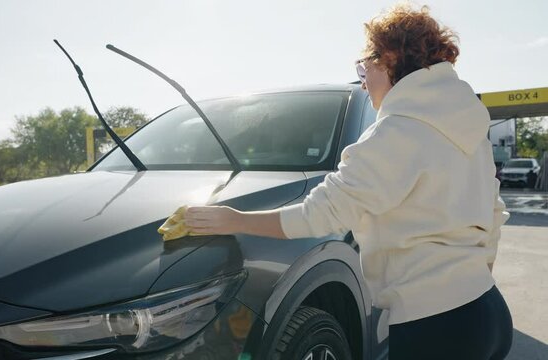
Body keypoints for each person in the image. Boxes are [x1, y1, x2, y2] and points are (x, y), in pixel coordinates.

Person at [182, 4, 513, 359]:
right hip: (487, 310)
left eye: (363, 67)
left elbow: (320, 214)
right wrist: (470, 282)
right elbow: (494, 214)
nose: (362, 79)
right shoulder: (465, 127)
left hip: (437, 326)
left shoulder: (398, 130)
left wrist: (235, 220)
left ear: (387, 59)